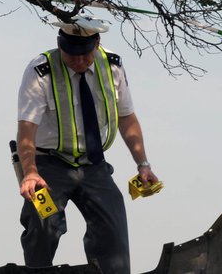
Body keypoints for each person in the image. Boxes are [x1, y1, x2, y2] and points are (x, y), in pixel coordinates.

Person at [16, 16, 159, 273]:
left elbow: (126, 117)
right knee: (42, 225)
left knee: (113, 231)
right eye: (72, 55)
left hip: (94, 166)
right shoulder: (40, 70)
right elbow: (27, 127)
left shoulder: (112, 65)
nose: (80, 62)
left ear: (97, 44)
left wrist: (143, 164)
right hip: (47, 167)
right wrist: (30, 172)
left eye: (85, 54)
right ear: (60, 46)